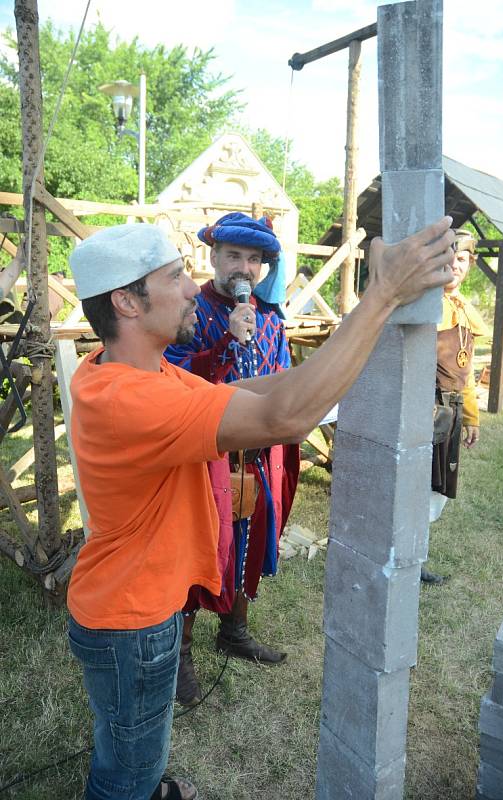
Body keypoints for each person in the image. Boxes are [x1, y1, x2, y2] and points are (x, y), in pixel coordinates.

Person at [67, 218, 454, 800]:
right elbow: (286, 418)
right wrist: (383, 295)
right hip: (133, 621)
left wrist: (352, 346)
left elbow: (270, 391)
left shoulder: (142, 372)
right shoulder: (133, 399)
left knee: (133, 737)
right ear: (126, 301)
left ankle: (146, 782)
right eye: (176, 276)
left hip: (134, 607)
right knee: (125, 768)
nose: (196, 287)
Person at [164, 212, 299, 707]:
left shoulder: (268, 316)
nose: (245, 268)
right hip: (204, 457)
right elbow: (175, 381)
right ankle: (180, 655)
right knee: (201, 551)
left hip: (258, 457)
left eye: (255, 259)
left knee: (248, 542)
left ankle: (234, 631)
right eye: (235, 256)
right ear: (214, 256)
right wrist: (225, 343)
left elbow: (280, 376)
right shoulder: (186, 309)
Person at [421, 228, 488, 584]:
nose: (455, 265)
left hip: (454, 406)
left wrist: (472, 417)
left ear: (470, 264)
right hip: (426, 406)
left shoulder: (466, 312)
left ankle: (417, 557)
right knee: (418, 484)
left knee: (437, 487)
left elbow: (468, 372)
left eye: (461, 259)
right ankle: (407, 557)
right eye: (448, 257)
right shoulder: (426, 306)